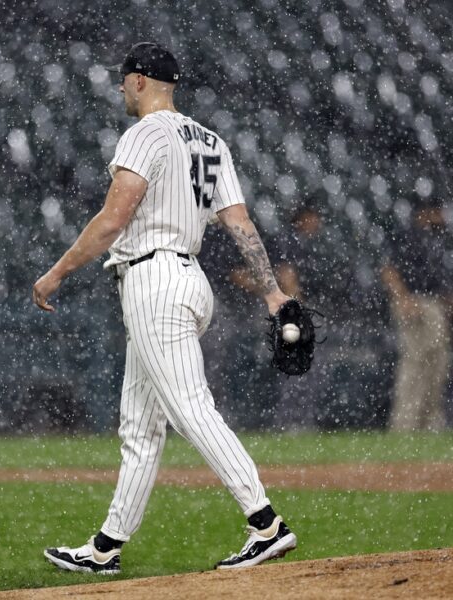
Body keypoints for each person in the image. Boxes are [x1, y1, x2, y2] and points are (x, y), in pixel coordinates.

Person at [33, 42, 297, 574]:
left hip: (154, 279)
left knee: (191, 409)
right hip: (188, 279)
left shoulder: (145, 133)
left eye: (122, 80)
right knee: (141, 426)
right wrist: (273, 293)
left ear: (137, 81)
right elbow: (239, 223)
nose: (120, 90)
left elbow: (113, 220)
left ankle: (265, 522)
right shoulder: (210, 140)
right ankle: (106, 548)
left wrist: (57, 272)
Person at [381, 204, 452, 431]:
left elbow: (440, 276)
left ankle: (429, 423)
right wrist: (403, 298)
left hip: (433, 304)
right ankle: (405, 424)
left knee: (437, 362)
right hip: (414, 302)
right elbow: (388, 270)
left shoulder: (437, 237)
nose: (441, 215)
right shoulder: (407, 234)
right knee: (415, 362)